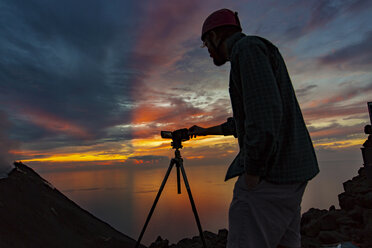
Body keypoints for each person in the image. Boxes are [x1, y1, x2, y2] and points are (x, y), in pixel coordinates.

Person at [188, 8, 319, 248]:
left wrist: (253, 173)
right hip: (291, 171)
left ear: (216, 36)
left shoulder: (246, 50)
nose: (206, 49)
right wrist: (204, 131)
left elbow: (264, 117)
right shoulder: (253, 51)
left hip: (271, 175)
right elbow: (247, 121)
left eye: (206, 42)